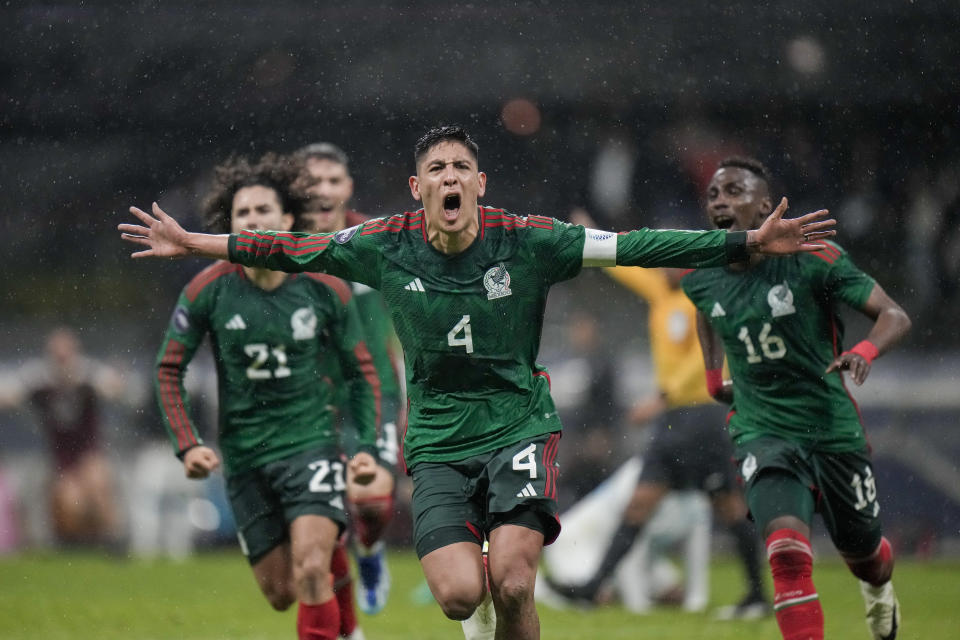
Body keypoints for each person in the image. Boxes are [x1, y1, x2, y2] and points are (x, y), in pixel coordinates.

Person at [120, 125, 835, 640]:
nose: (450, 178)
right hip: (436, 442)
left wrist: (742, 241)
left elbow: (638, 245)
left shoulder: (528, 239)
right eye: (436, 169)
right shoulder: (383, 245)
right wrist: (192, 241)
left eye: (461, 166)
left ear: (479, 183)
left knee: (515, 580)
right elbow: (291, 247)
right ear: (417, 188)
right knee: (462, 597)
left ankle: (514, 599)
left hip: (518, 425)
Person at [152, 152, 379, 640]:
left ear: (289, 219)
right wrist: (188, 443)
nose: (253, 221)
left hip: (311, 444)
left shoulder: (323, 285)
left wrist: (362, 448)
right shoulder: (207, 289)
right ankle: (338, 575)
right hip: (245, 455)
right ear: (229, 226)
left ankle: (333, 579)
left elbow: (361, 372)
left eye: (263, 211)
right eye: (243, 214)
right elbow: (169, 368)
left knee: (311, 569)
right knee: (281, 593)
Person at [681, 156, 910, 640]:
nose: (719, 200)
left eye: (734, 191)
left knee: (864, 556)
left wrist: (863, 349)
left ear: (765, 207)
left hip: (830, 428)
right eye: (712, 195)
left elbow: (894, 315)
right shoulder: (702, 271)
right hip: (762, 430)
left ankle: (879, 590)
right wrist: (710, 373)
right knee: (785, 554)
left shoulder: (813, 258)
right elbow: (705, 309)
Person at [544, 208, 769, 619]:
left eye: (669, 255)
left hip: (704, 415)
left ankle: (757, 594)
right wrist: (588, 231)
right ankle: (593, 588)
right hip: (676, 423)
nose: (660, 263)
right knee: (640, 503)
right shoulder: (660, 291)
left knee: (729, 507)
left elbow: (705, 359)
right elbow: (624, 264)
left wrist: (661, 395)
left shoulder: (702, 293)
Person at [296, 141, 402, 615]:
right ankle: (341, 619)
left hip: (372, 391)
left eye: (332, 181)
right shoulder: (283, 246)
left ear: (348, 187)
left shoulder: (375, 239)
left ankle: (372, 551)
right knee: (322, 521)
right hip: (312, 399)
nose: (323, 191)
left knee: (372, 503)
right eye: (312, 182)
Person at [0, 327, 135, 549]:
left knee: (97, 485)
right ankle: (79, 545)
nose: (62, 360)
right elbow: (10, 392)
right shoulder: (40, 376)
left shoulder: (87, 372)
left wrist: (117, 382)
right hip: (61, 453)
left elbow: (114, 388)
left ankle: (115, 539)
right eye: (57, 354)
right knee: (70, 502)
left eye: (66, 353)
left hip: (89, 448)